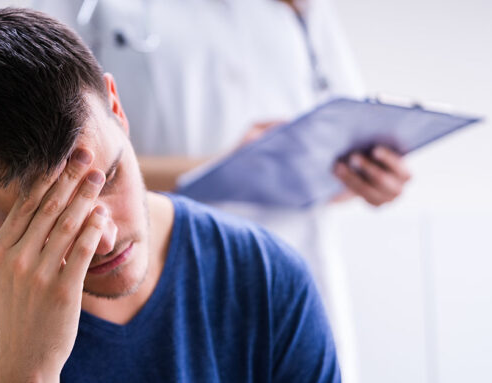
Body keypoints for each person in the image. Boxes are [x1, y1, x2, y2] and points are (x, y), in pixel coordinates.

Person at [0, 8, 341, 382]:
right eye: (50, 219)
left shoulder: (266, 278)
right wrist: (27, 369)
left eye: (110, 176)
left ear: (116, 107)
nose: (103, 237)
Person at [33, 1, 413, 380]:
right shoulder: (81, 7)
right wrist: (225, 164)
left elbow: (346, 129)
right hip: (163, 272)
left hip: (291, 268)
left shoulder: (301, 9)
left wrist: (367, 173)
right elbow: (59, 164)